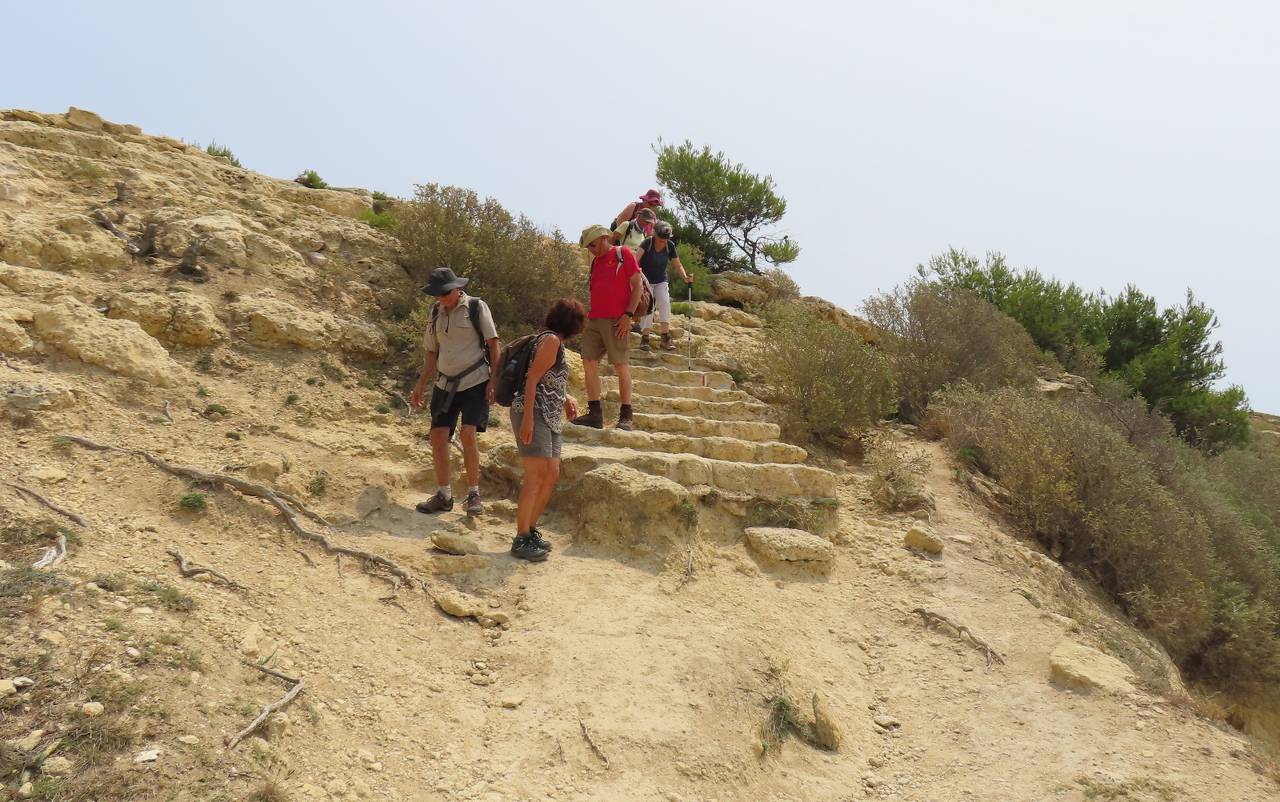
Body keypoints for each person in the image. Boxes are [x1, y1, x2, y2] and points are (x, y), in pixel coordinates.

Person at [408, 267, 501, 516]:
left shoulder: (476, 307)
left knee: (468, 433)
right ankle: (444, 495)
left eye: (444, 294)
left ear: (456, 289)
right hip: (444, 384)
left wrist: (494, 380)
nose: (441, 299)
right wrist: (420, 384)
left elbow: (493, 344)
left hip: (475, 381)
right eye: (437, 295)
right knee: (438, 436)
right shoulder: (436, 312)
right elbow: (431, 353)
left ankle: (473, 494)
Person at [509, 298, 586, 562]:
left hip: (550, 417)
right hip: (535, 413)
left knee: (551, 474)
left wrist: (566, 398)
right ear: (572, 322)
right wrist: (528, 419)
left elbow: (546, 379)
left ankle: (530, 530)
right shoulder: (551, 340)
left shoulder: (555, 343)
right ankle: (521, 537)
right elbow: (531, 379)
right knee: (535, 475)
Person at [572, 224, 643, 431]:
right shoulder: (595, 262)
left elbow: (637, 286)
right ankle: (595, 414)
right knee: (588, 361)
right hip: (595, 319)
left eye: (593, 244)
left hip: (617, 319)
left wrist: (628, 316)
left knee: (620, 365)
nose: (591, 249)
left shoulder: (623, 254)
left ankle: (626, 415)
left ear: (603, 238)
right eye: (588, 247)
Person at [637, 221, 693, 352]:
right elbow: (635, 259)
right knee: (649, 306)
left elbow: (677, 264)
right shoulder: (647, 243)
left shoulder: (670, 245)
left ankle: (665, 337)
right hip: (646, 280)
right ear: (654, 234)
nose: (662, 242)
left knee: (664, 302)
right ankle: (645, 337)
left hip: (661, 280)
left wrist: (685, 277)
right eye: (660, 239)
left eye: (665, 240)